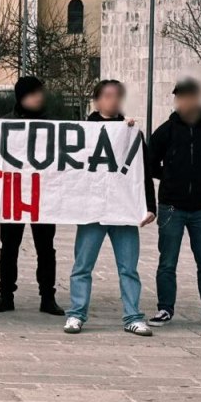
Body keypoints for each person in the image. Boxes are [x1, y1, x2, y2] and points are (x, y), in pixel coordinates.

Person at [64, 80, 156, 337]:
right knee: (83, 265)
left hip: (123, 209)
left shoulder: (130, 132)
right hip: (91, 209)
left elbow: (143, 172)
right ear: (96, 100)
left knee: (128, 267)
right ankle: (76, 313)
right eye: (107, 95)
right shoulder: (83, 131)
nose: (112, 100)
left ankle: (133, 316)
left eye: (117, 96)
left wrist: (149, 206)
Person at [149, 78, 201, 330]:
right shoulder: (166, 130)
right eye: (179, 98)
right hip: (171, 206)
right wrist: (172, 177)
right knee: (167, 261)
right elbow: (150, 162)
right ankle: (165, 309)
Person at [0, 76, 64, 317]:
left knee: (46, 248)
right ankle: (6, 295)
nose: (38, 97)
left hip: (43, 196)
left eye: (40, 92)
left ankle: (48, 296)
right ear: (21, 97)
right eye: (32, 93)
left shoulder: (53, 125)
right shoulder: (5, 124)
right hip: (12, 194)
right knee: (9, 247)